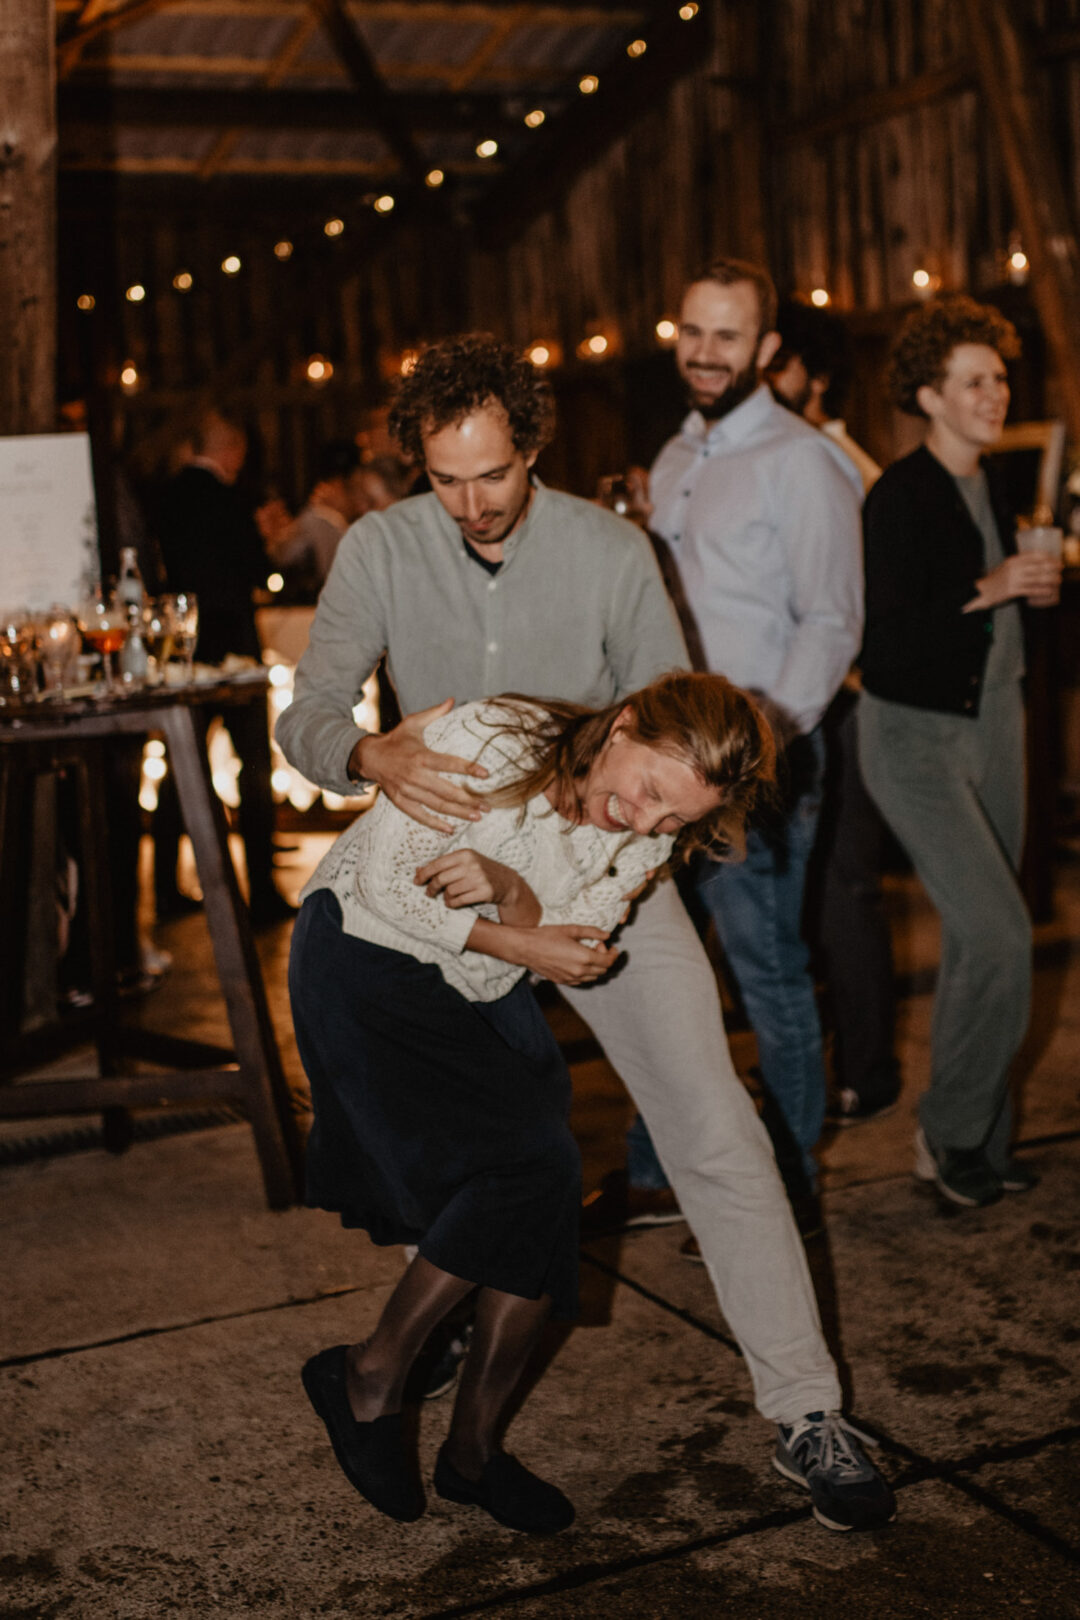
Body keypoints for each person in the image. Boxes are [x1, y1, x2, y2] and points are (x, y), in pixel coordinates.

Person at [277, 333, 896, 1533]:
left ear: (533, 447)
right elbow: (308, 711)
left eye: (493, 475)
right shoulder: (381, 547)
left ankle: (808, 1409)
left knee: (715, 1124)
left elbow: (678, 729)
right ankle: (444, 1335)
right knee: (486, 1146)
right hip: (438, 886)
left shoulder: (613, 551)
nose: (471, 504)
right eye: (445, 479)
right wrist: (363, 751)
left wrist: (597, 882)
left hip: (604, 874)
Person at [292, 674, 774, 1531]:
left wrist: (509, 890)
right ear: (623, 727)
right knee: (534, 1167)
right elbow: (385, 889)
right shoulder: (491, 740)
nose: (647, 825)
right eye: (650, 791)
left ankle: (470, 1451)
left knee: (544, 1190)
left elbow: (571, 934)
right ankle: (372, 1374)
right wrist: (518, 937)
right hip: (364, 961)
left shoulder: (649, 839)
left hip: (476, 984)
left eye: (674, 820)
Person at [648, 260, 863, 1213]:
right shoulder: (673, 457)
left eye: (726, 336)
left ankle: (787, 1186)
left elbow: (834, 621)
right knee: (662, 976)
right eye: (692, 332)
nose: (705, 353)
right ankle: (659, 1169)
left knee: (766, 973)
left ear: (767, 348)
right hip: (665, 761)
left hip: (758, 765)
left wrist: (761, 739)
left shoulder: (801, 461)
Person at [857, 296, 1059, 1207]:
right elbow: (888, 644)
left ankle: (982, 1140)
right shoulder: (899, 496)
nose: (994, 394)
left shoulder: (996, 485)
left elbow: (1000, 624)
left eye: (1000, 378)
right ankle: (947, 1134)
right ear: (930, 396)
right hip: (914, 738)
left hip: (996, 722)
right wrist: (992, 584)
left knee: (985, 945)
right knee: (1001, 934)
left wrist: (1030, 593)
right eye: (973, 381)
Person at [766, 301, 900, 1127]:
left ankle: (867, 1071)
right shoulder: (783, 456)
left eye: (775, 365)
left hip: (842, 702)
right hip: (788, 700)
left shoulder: (841, 465)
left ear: (813, 377)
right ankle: (816, 1062)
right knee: (800, 893)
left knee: (844, 891)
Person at [157, 408, 294, 926]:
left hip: (187, 653)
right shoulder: (233, 500)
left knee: (181, 765)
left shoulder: (168, 496)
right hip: (234, 650)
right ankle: (261, 890)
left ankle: (166, 886)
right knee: (253, 768)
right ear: (230, 448)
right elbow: (259, 570)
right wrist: (269, 539)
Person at [265, 440, 367, 594]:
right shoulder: (318, 519)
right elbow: (282, 556)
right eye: (353, 488)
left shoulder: (355, 522)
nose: (361, 501)